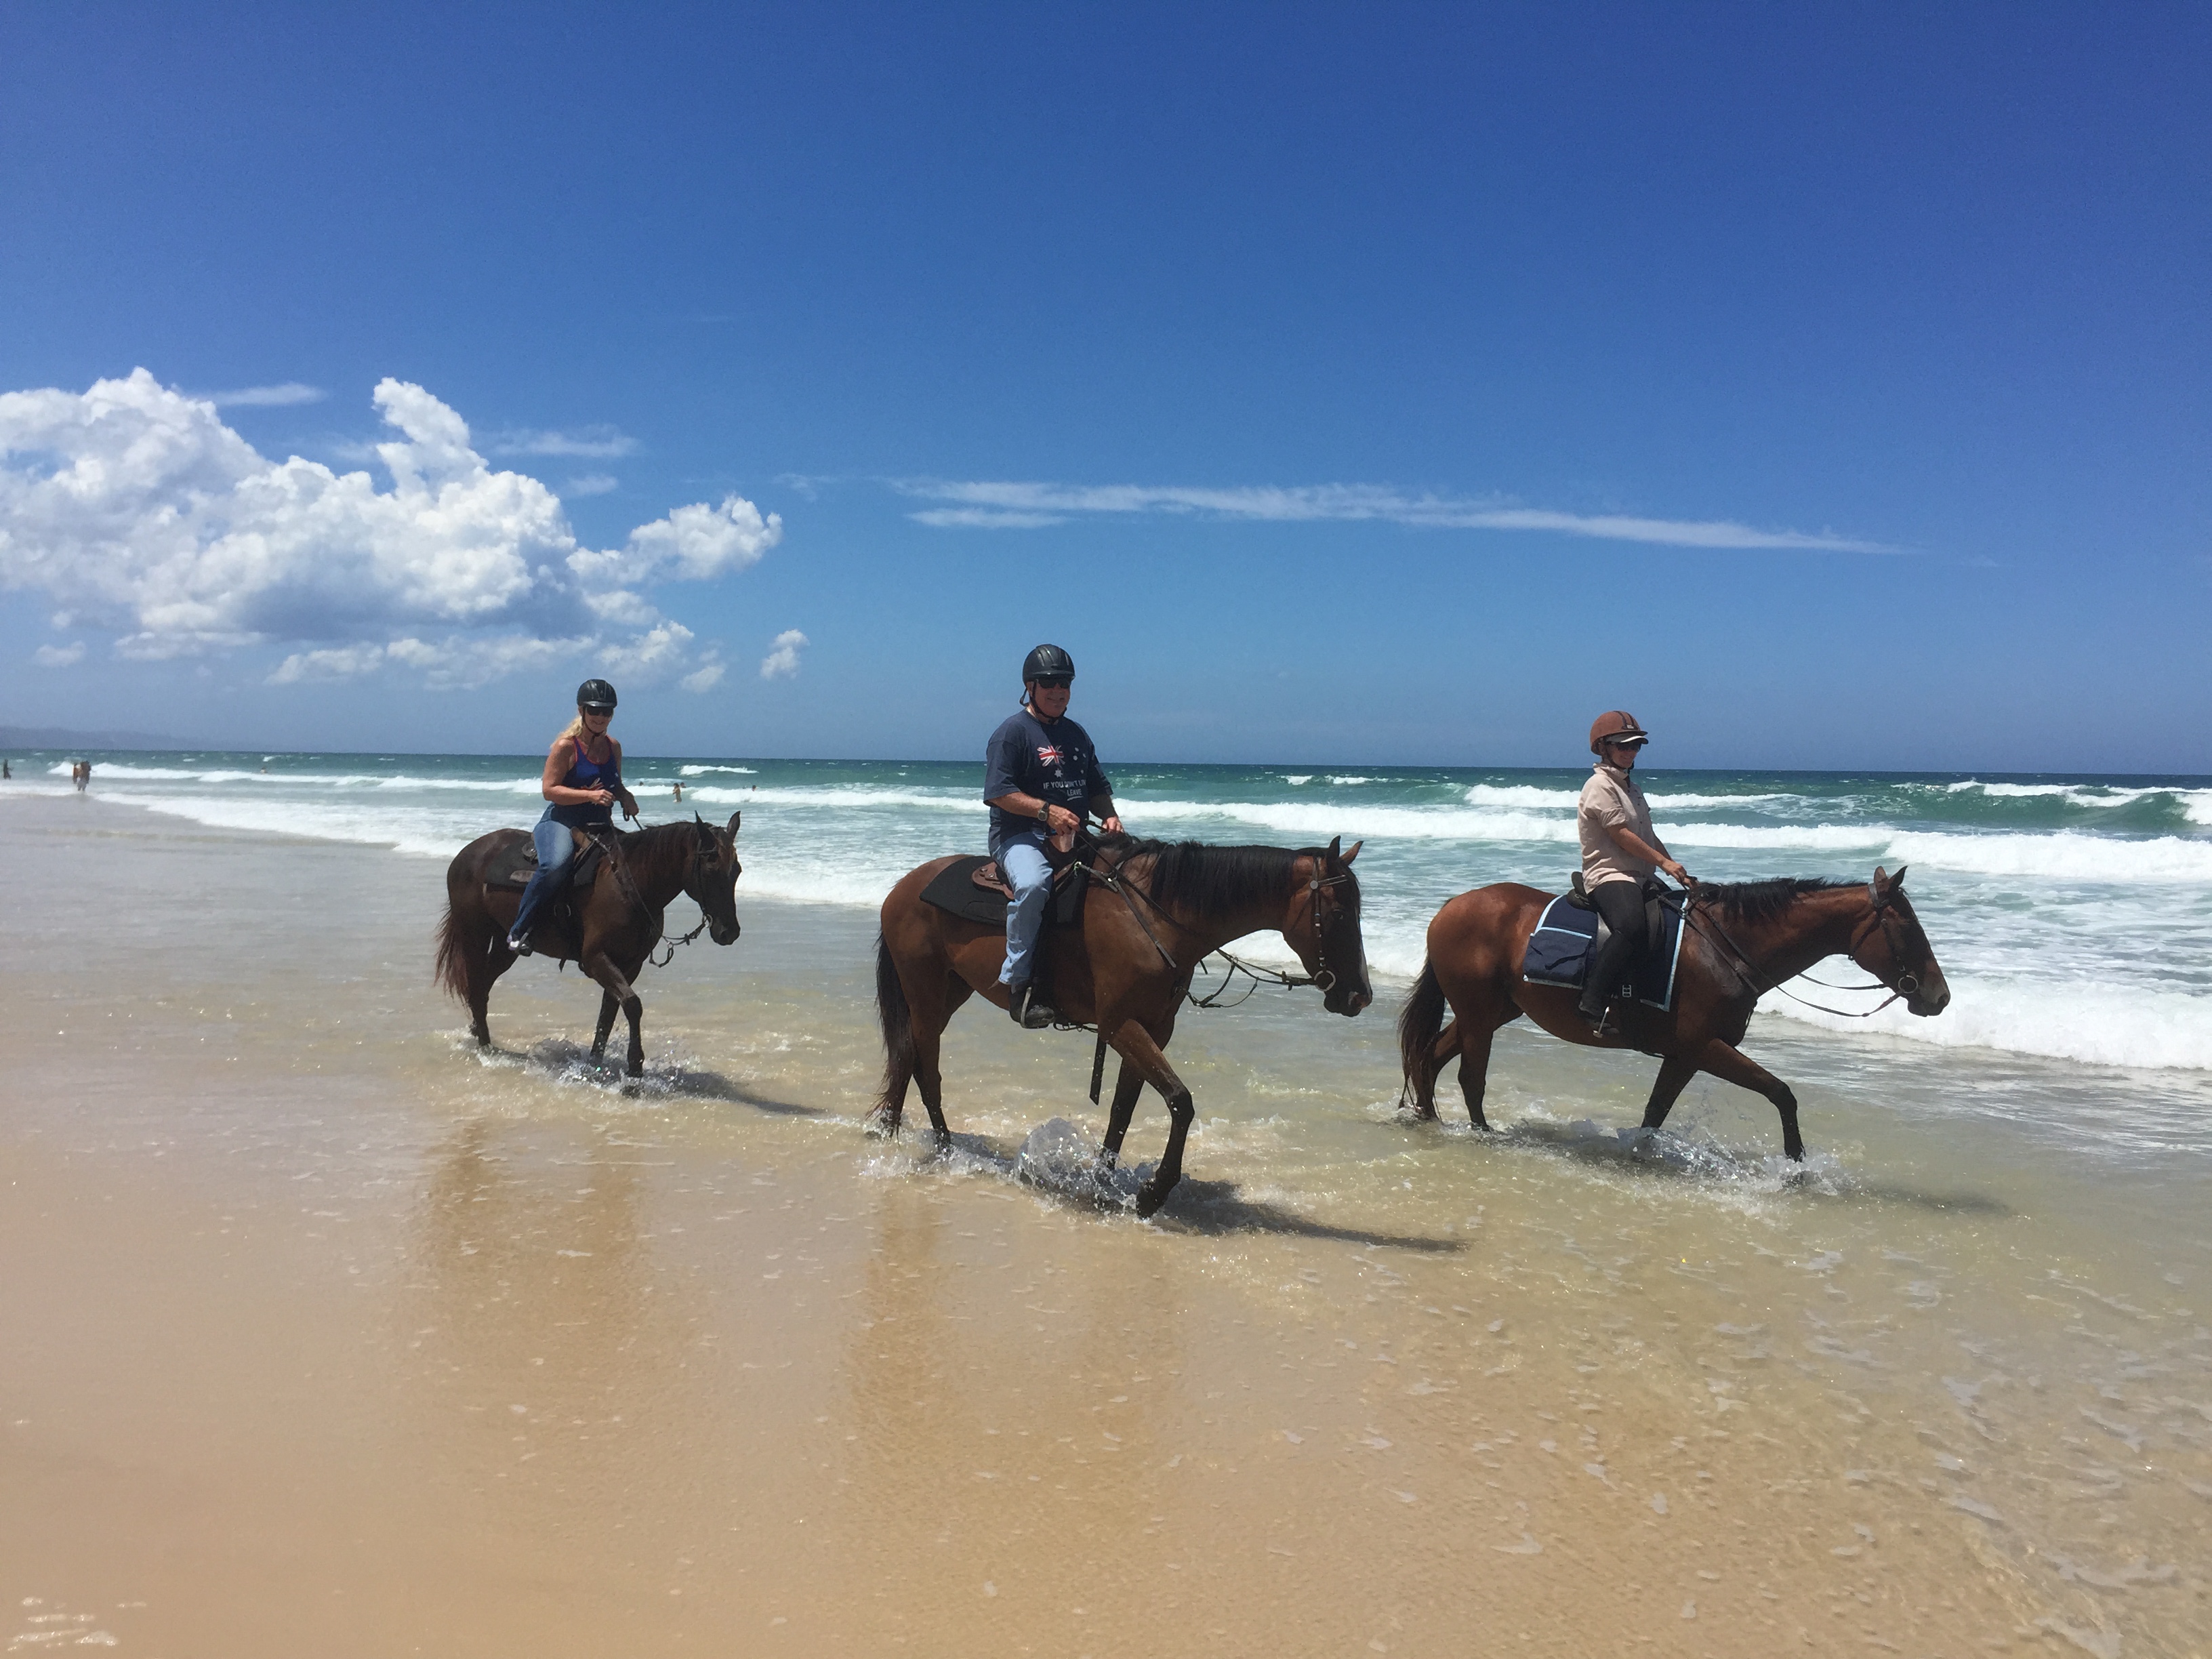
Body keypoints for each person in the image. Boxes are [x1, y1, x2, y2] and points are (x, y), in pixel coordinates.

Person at [983, 644, 1123, 1027]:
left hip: (1074, 834)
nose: (1058, 690)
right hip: (1019, 835)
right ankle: (1019, 984)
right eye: (1049, 683)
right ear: (1030, 686)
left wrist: (1110, 816)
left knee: (1128, 876)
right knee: (1034, 884)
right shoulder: (1011, 734)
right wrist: (1046, 811)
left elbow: (1094, 785)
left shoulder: (1076, 734)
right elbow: (998, 792)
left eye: (1065, 683)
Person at [1576, 710, 1693, 1033]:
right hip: (1610, 873)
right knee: (1631, 926)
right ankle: (1591, 1002)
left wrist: (1674, 870)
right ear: (1604, 747)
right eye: (1622, 745)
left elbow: (1647, 837)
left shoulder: (1632, 788)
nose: (1630, 752)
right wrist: (1664, 864)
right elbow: (1622, 837)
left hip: (1642, 876)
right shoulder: (1599, 786)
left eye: (1636, 746)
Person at [508, 679, 639, 954]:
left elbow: (615, 784)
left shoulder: (613, 747)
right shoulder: (566, 747)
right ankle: (520, 929)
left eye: (607, 712)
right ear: (582, 710)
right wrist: (590, 796)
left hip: (600, 823)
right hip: (562, 821)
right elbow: (549, 790)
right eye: (595, 710)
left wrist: (626, 797)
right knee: (556, 865)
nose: (601, 717)